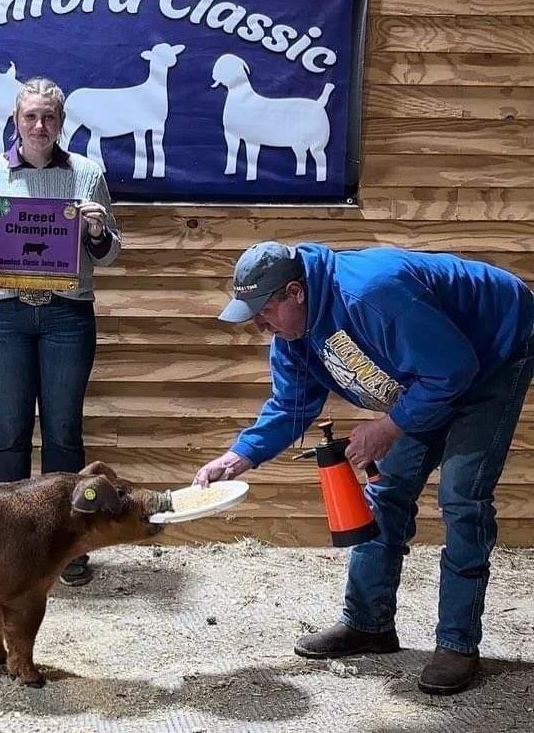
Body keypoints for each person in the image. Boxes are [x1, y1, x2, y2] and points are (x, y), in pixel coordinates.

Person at [194, 241, 534, 695]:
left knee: (461, 497)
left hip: (493, 351)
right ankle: (368, 623)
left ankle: (457, 643)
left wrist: (390, 426)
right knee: (387, 491)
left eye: (264, 311)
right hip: (428, 373)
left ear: (296, 292)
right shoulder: (294, 336)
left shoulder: (372, 292)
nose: (259, 325)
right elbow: (291, 403)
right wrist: (240, 456)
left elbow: (454, 369)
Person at [0, 77, 121, 587]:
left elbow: (111, 253)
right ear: (16, 120)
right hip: (3, 314)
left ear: (61, 122)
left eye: (49, 117)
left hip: (67, 313)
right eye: (31, 117)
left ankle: (68, 545)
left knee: (65, 431)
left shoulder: (88, 174)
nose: (40, 126)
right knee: (9, 430)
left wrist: (96, 231)